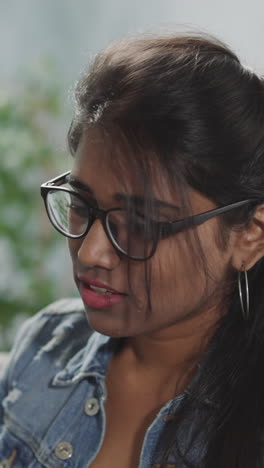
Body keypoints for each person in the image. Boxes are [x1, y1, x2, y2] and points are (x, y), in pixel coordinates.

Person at [1, 31, 264, 468]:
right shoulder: (46, 346)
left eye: (141, 224)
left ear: (250, 235)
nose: (90, 254)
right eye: (82, 205)